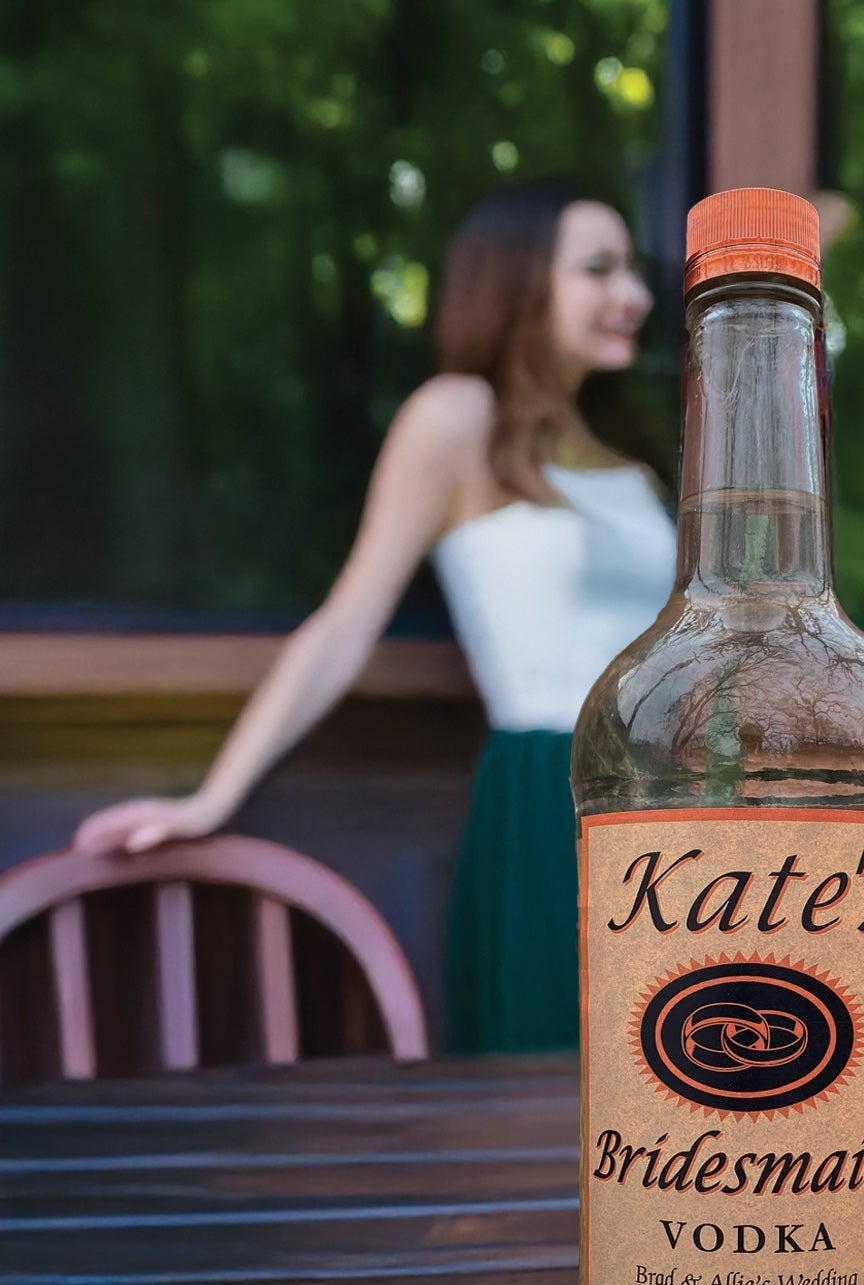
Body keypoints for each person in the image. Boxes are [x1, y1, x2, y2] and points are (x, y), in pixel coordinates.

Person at [73, 184, 677, 1053]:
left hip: (675, 797)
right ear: (513, 283)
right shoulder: (457, 416)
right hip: (552, 793)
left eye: (632, 270)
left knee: (695, 1066)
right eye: (598, 269)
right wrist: (213, 796)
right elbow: (348, 618)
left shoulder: (631, 456)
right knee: (566, 1079)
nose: (634, 296)